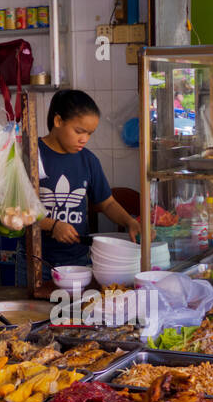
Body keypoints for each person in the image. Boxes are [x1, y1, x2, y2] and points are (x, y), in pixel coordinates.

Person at [35, 89, 140, 272]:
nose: (84, 139)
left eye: (89, 134)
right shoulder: (31, 155)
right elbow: (14, 210)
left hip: (78, 260)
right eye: (79, 131)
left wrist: (130, 222)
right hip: (35, 260)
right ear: (58, 121)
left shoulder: (88, 160)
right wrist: (52, 225)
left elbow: (107, 203)